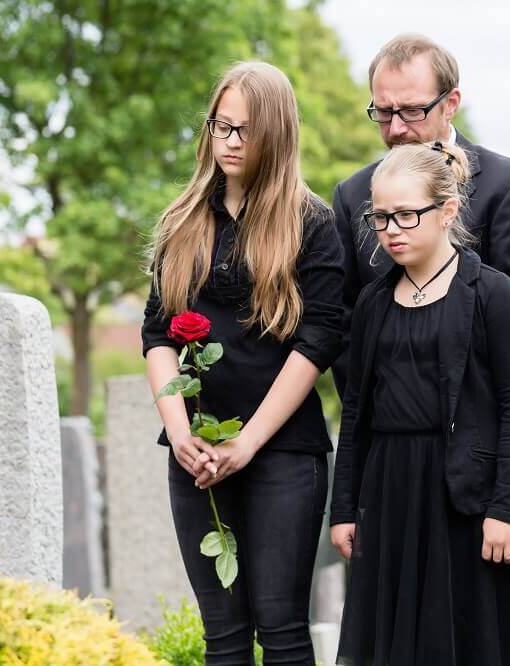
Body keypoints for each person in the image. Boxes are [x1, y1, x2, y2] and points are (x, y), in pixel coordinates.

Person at [141, 61, 345, 665]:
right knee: (223, 638)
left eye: (245, 130)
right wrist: (180, 434)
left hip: (281, 453)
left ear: (276, 135)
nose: (228, 141)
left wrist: (249, 443)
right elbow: (156, 335)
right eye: (220, 126)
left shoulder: (312, 224)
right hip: (195, 452)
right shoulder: (183, 221)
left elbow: (319, 340)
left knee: (281, 632)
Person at [329, 141, 510, 666]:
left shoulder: (492, 295)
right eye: (380, 217)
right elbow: (357, 412)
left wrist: (506, 511)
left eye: (407, 215)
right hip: (392, 492)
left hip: (466, 497)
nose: (391, 230)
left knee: (469, 643)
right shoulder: (372, 302)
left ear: (448, 211)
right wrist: (344, 508)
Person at [331, 33, 510, 390]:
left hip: (483, 423)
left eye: (413, 110)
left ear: (451, 103)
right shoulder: (352, 194)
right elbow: (342, 324)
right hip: (383, 428)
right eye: (384, 112)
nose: (397, 128)